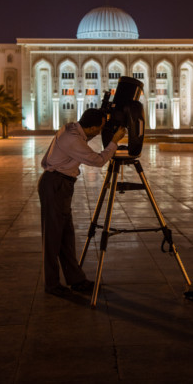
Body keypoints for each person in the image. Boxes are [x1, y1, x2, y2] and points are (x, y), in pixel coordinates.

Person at [38, 108, 126, 297]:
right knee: (53, 238)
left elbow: (85, 141)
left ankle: (76, 279)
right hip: (55, 185)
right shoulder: (73, 138)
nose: (101, 131)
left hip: (60, 185)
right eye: (100, 127)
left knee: (66, 236)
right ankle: (52, 284)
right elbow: (98, 160)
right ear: (92, 127)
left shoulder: (73, 128)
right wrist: (114, 142)